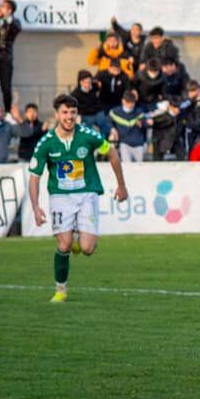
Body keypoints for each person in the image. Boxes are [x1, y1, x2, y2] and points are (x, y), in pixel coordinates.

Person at [27, 94, 128, 302]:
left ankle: (76, 234)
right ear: (57, 114)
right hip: (60, 197)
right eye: (65, 112)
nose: (69, 117)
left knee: (87, 249)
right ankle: (60, 290)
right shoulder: (46, 143)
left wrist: (121, 185)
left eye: (73, 112)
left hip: (86, 194)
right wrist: (36, 207)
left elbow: (112, 153)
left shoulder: (88, 135)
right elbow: (34, 177)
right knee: (64, 246)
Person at [0, 0, 21, 112]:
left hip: (5, 60)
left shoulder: (13, 22)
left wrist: (8, 17)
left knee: (6, 88)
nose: (2, 8)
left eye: (6, 7)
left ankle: (7, 111)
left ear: (10, 10)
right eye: (2, 6)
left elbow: (16, 28)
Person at [109, 90, 148, 162]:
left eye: (132, 103)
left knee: (140, 168)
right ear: (123, 101)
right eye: (128, 102)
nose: (130, 105)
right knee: (127, 167)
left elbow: (145, 124)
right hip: (124, 144)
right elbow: (109, 121)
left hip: (138, 145)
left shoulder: (139, 112)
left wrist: (143, 123)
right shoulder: (115, 112)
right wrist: (112, 129)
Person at [71, 71, 107, 136]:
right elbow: (78, 108)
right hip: (86, 115)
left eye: (90, 82)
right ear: (81, 82)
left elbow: (99, 101)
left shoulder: (95, 87)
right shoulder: (76, 94)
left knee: (104, 124)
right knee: (88, 130)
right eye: (86, 83)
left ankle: (104, 139)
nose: (88, 85)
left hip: (97, 112)